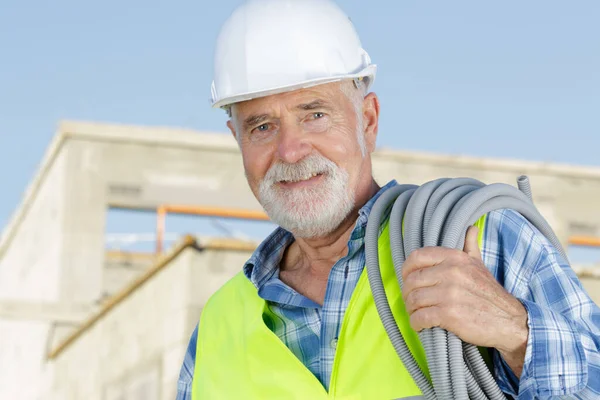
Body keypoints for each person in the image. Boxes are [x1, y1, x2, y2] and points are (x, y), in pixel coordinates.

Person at [177, 0, 600, 398]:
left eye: (315, 115)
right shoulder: (217, 326)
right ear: (238, 141)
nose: (290, 151)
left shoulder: (480, 239)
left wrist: (518, 333)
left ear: (368, 121)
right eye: (262, 127)